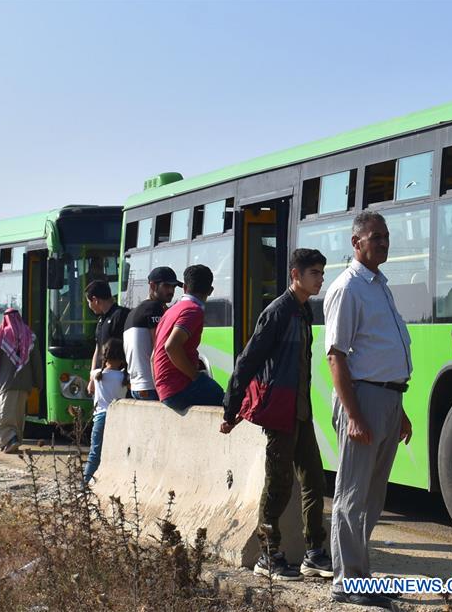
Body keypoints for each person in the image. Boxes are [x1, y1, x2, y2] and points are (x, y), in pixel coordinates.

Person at [221, 249, 332, 581]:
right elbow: (248, 360)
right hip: (280, 412)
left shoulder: (303, 311)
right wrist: (231, 406)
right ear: (295, 275)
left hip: (300, 412)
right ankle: (269, 555)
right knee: (278, 484)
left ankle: (314, 553)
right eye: (314, 272)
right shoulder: (278, 312)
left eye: (322, 272)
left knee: (314, 479)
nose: (320, 278)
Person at [324, 211, 413, 609]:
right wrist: (356, 415)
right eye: (375, 237)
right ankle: (346, 581)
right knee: (352, 494)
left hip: (388, 399)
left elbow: (382, 350)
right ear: (355, 242)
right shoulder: (348, 287)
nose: (383, 243)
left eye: (386, 236)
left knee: (373, 497)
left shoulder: (379, 285)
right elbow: (336, 357)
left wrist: (401, 408)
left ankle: (362, 576)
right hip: (363, 400)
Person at [152, 264, 224, 410]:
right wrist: (195, 376)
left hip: (164, 390)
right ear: (210, 291)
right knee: (225, 400)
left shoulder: (171, 311)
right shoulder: (193, 310)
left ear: (184, 287)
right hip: (179, 389)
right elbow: (171, 346)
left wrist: (160, 391)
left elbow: (153, 356)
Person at [0, 309, 43, 454]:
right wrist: (39, 383)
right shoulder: (29, 336)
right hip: (24, 385)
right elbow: (36, 363)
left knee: (2, 417)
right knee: (17, 415)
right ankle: (13, 440)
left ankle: (9, 440)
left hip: (5, 384)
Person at [123, 267, 179, 400]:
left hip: (137, 386)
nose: (171, 291)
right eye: (166, 286)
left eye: (173, 287)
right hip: (152, 385)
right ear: (152, 286)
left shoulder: (134, 312)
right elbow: (161, 348)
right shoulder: (154, 308)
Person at [83, 338, 129, 486]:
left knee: (94, 454)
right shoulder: (124, 378)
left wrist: (97, 349)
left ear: (105, 356)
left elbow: (94, 367)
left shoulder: (97, 375)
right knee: (117, 454)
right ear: (122, 358)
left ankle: (85, 483)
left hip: (100, 419)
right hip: (118, 420)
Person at [84, 280, 130, 395]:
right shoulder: (101, 320)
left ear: (95, 300)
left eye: (89, 302)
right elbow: (98, 348)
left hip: (119, 381)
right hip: (102, 380)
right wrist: (92, 378)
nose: (89, 306)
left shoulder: (121, 315)